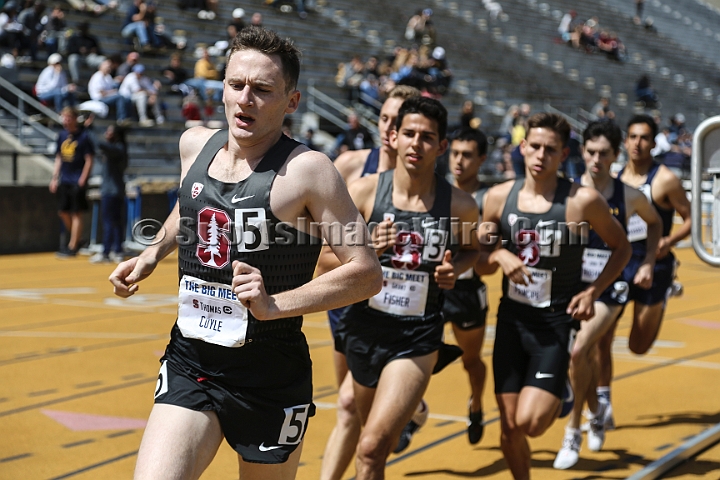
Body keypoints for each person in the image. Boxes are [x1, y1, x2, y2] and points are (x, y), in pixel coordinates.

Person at [108, 26, 382, 480]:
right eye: (236, 85)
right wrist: (152, 254)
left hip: (270, 375)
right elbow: (190, 205)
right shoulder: (194, 144)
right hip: (191, 360)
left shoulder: (309, 171)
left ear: (291, 102)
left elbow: (366, 272)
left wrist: (277, 304)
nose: (245, 99)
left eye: (262, 89)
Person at [332, 96, 480, 479]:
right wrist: (367, 249)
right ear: (393, 137)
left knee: (371, 448)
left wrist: (455, 270)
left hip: (417, 337)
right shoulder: (364, 192)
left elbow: (472, 250)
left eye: (427, 137)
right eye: (409, 133)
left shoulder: (460, 206)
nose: (416, 143)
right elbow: (324, 261)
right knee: (371, 447)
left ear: (441, 146)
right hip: (363, 330)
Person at [478, 112, 631, 480]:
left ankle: (560, 386)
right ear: (523, 146)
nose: (540, 155)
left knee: (530, 424)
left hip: (555, 324)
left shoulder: (582, 201)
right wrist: (499, 254)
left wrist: (593, 291)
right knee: (510, 428)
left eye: (550, 149)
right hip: (512, 322)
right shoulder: (499, 197)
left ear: (564, 155)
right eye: (535, 146)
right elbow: (480, 260)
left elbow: (621, 247)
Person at [319, 85, 422, 480]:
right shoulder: (348, 167)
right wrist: (365, 254)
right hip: (346, 305)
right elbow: (321, 259)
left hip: (396, 311)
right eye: (384, 118)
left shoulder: (428, 186)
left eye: (399, 122)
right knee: (355, 406)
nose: (389, 129)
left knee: (348, 407)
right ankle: (413, 410)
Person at [553, 119, 661, 469]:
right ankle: (597, 410)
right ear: (582, 152)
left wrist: (647, 260)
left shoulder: (628, 195)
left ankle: (573, 431)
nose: (596, 159)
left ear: (615, 156)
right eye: (590, 151)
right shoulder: (569, 193)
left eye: (603, 153)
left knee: (581, 349)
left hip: (610, 286)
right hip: (573, 284)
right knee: (583, 355)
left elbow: (655, 222)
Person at [595, 114, 692, 433]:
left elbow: (690, 218)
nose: (638, 143)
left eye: (645, 138)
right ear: (625, 142)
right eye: (633, 137)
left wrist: (668, 241)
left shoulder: (664, 180)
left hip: (655, 262)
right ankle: (603, 402)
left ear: (654, 143)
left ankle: (663, 294)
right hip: (620, 262)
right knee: (601, 336)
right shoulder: (616, 177)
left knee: (638, 345)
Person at [444, 127, 491, 445]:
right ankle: (411, 411)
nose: (459, 161)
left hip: (468, 292)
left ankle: (476, 405)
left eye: (467, 155)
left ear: (481, 159)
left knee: (471, 361)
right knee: (413, 355)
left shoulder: (490, 199)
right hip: (430, 287)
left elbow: (488, 263)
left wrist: (491, 248)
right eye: (455, 153)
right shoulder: (434, 191)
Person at [50, 106, 94, 257]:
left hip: (77, 179)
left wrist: (83, 178)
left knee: (76, 213)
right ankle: (78, 238)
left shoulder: (83, 137)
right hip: (65, 179)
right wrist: (54, 178)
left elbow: (89, 159)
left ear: (74, 119)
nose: (66, 120)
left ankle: (72, 246)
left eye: (68, 117)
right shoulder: (62, 135)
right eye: (64, 117)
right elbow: (58, 158)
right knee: (63, 212)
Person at [90, 124, 128, 264]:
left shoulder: (117, 149)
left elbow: (99, 144)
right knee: (116, 222)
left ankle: (107, 251)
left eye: (109, 131)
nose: (106, 133)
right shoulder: (119, 149)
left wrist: (89, 129)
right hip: (115, 190)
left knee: (109, 222)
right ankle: (117, 250)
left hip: (111, 191)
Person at [88, 59, 131, 124]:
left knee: (127, 99)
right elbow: (102, 93)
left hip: (107, 97)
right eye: (107, 66)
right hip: (99, 99)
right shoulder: (98, 76)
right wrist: (113, 92)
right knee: (119, 97)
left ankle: (128, 118)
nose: (109, 68)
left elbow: (111, 87)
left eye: (110, 66)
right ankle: (121, 119)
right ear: (101, 67)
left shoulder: (108, 77)